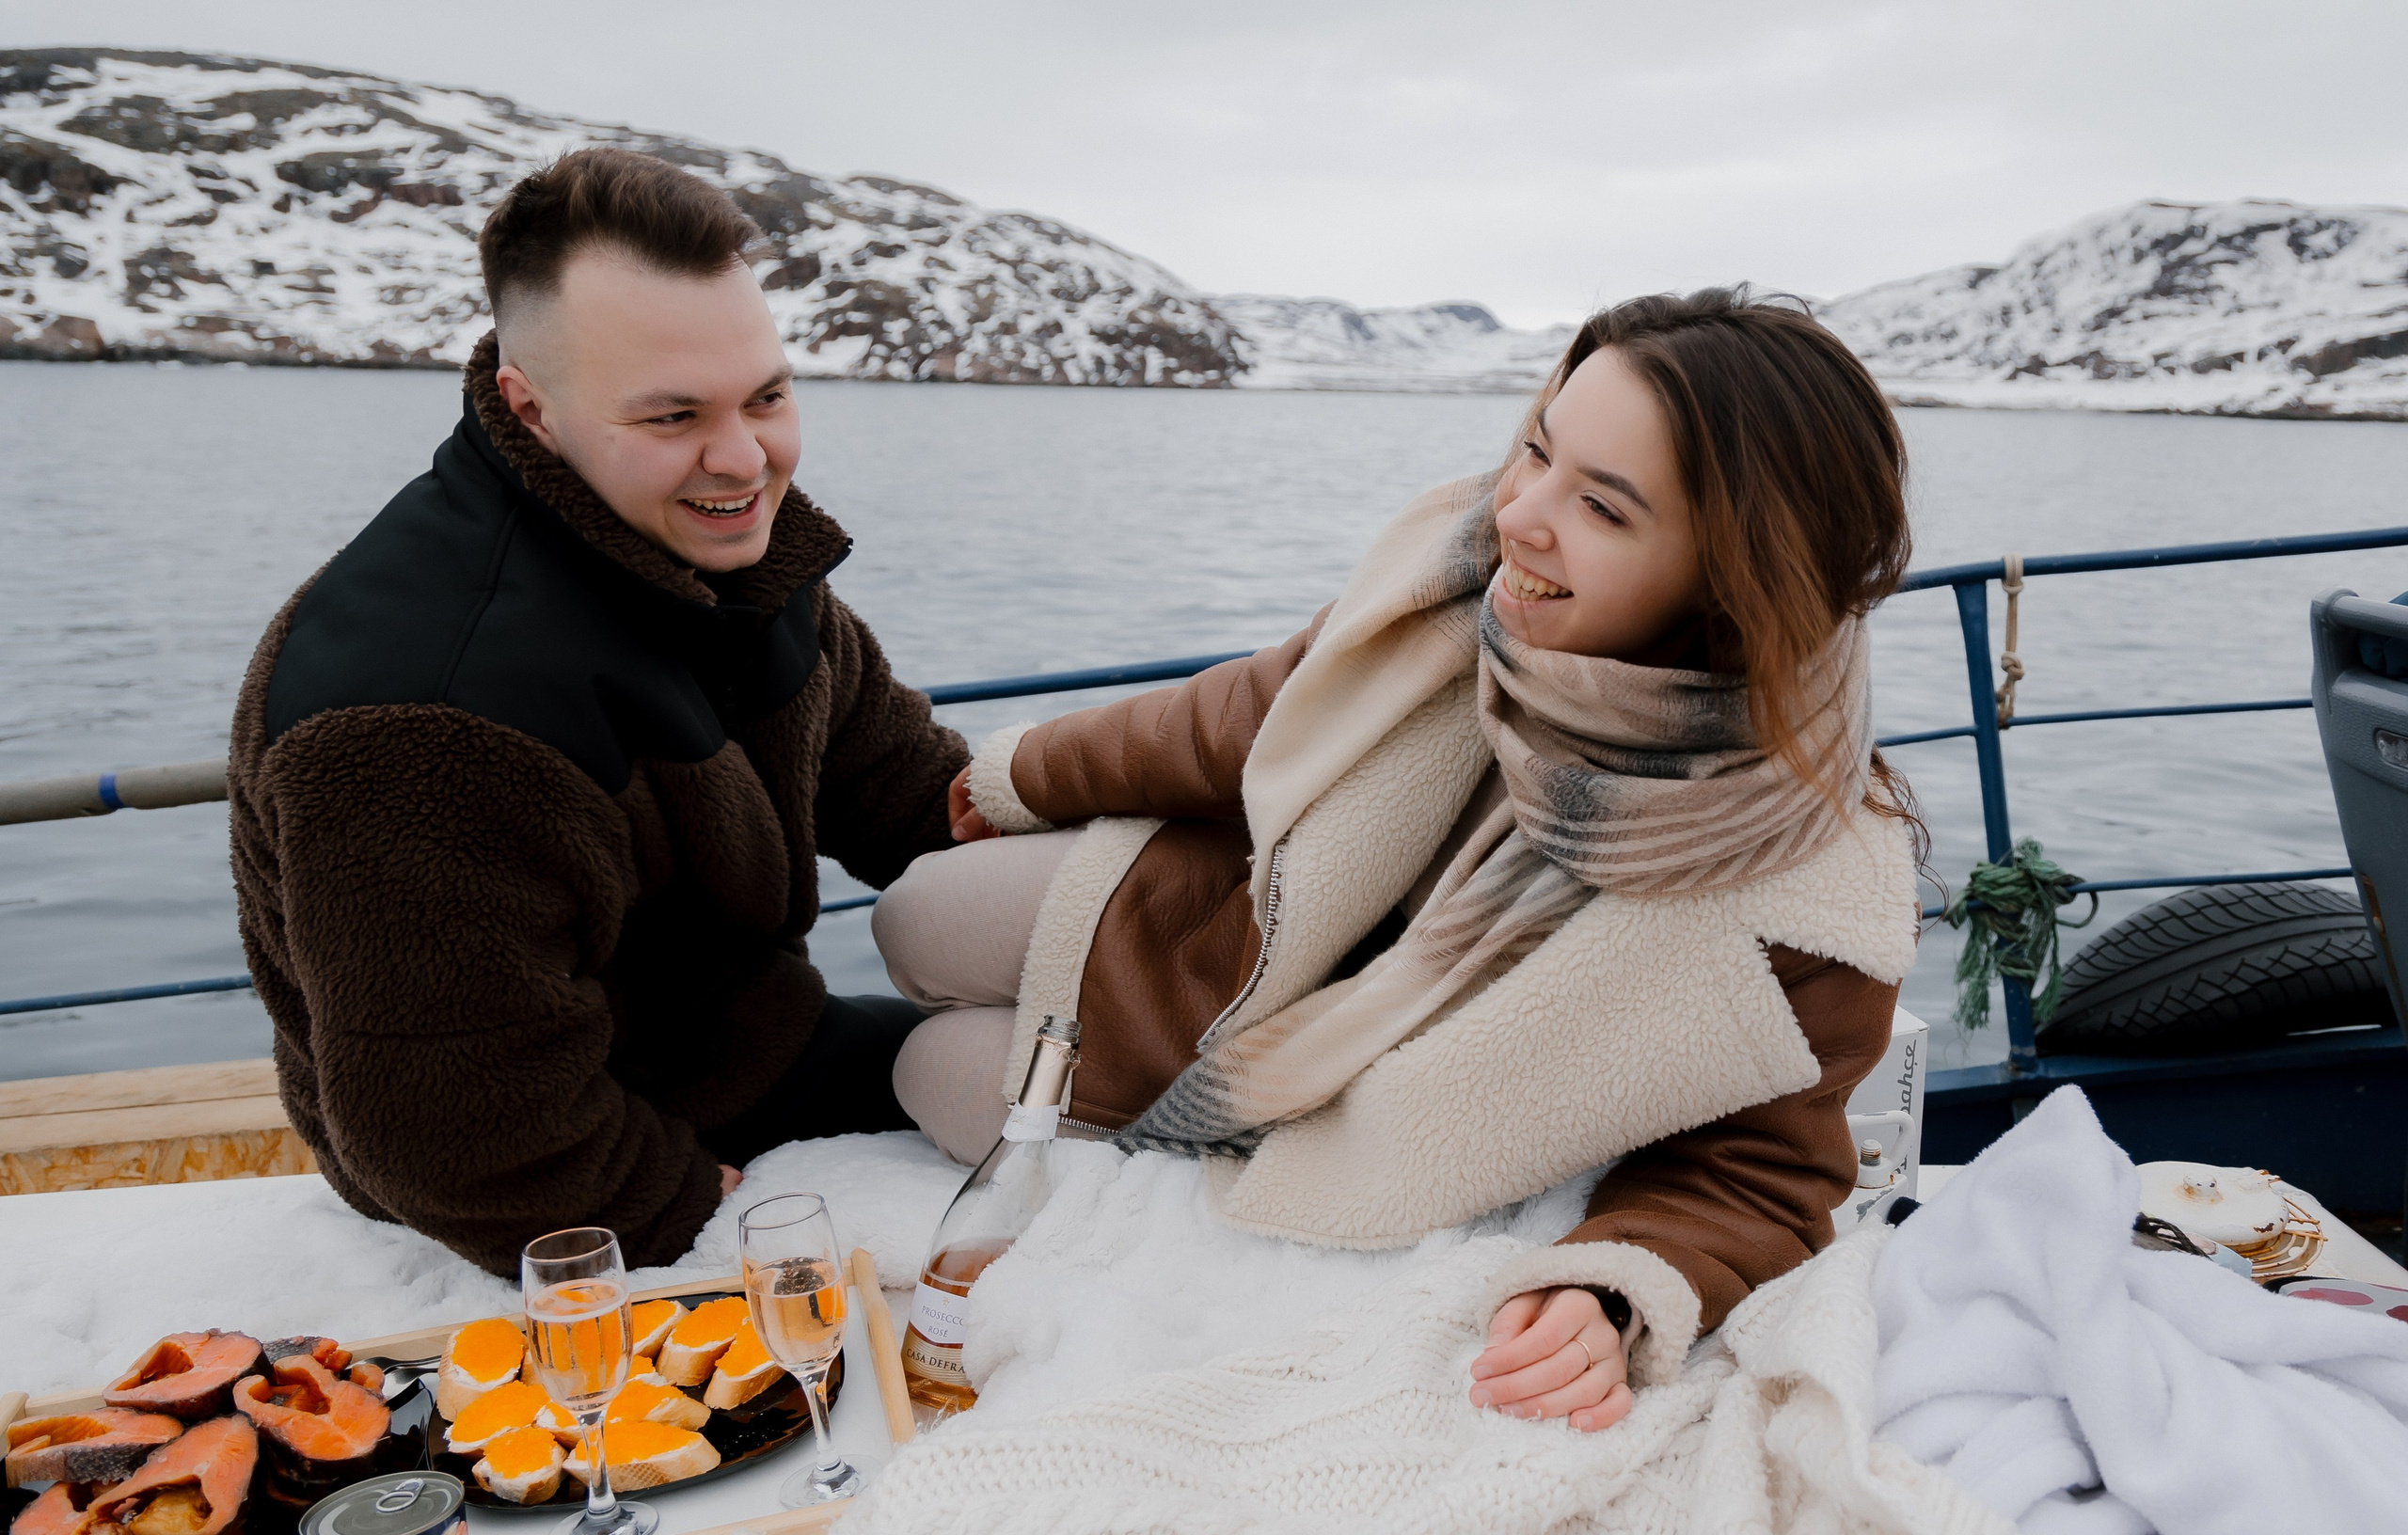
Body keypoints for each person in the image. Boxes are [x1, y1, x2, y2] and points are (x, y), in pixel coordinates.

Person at [875, 287, 1921, 1433]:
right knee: (916, 915)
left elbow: (1762, 1170)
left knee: (927, 1066)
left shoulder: (1802, 872)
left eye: (1603, 508)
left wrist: (1616, 1285)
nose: (1521, 512)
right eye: (1536, 445)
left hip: (1319, 1113)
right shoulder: (1460, 577)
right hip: (1224, 930)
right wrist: (1022, 775)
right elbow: (1253, 709)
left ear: (1730, 575)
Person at [228, 150, 964, 1275]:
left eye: (765, 396)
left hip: (722, 1041)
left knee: (1085, 1061)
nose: (744, 458)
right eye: (673, 416)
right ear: (530, 408)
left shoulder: (729, 561)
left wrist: (1118, 860)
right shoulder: (424, 710)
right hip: (543, 1155)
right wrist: (667, 1206)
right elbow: (450, 1124)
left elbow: (903, 788)